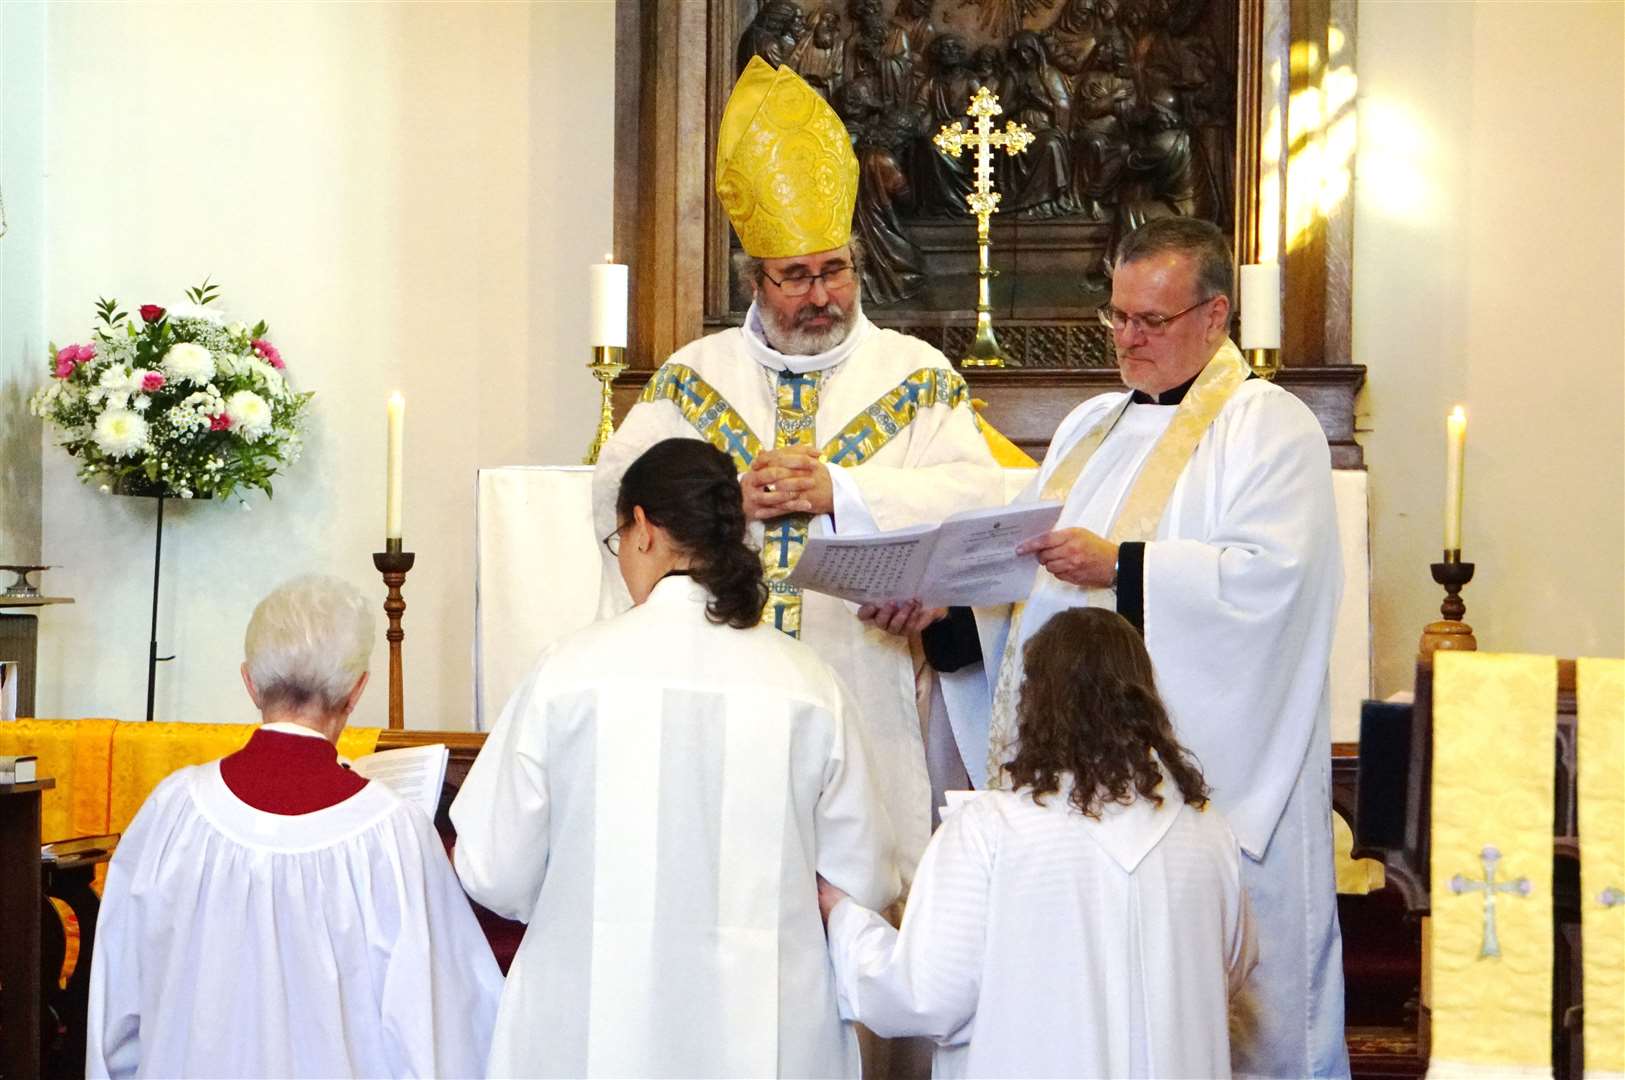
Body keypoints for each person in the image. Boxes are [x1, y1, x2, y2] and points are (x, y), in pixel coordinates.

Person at [873, 216, 1349, 1078]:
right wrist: (944, 613)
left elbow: (1272, 587)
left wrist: (1122, 565)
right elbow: (1031, 595)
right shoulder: (1090, 425)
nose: (1127, 339)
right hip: (1066, 809)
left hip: (1204, 799)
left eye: (1150, 322)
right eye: (1117, 317)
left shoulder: (1267, 427)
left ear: (1213, 317)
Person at [592, 56, 1001, 883]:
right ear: (754, 278)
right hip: (717, 687)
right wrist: (722, 501)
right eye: (795, 277)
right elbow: (615, 495)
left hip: (866, 681)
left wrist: (846, 492)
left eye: (835, 269)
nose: (821, 295)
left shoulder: (915, 376)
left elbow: (979, 498)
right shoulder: (690, 377)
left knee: (860, 888)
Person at [454, 438, 900, 1078]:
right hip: (767, 1024)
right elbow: (866, 881)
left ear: (640, 527)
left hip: (591, 1022)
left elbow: (493, 869)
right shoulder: (808, 684)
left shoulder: (570, 673)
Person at [86, 575, 501, 1079]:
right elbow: (446, 1030)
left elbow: (117, 1013)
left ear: (250, 683)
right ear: (356, 692)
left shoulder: (174, 811)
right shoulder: (394, 833)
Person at [819, 607, 1256, 1078]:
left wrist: (845, 921)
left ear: (1033, 704)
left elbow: (924, 997)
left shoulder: (991, 831)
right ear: (1147, 701)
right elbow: (1229, 970)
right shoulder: (1208, 833)